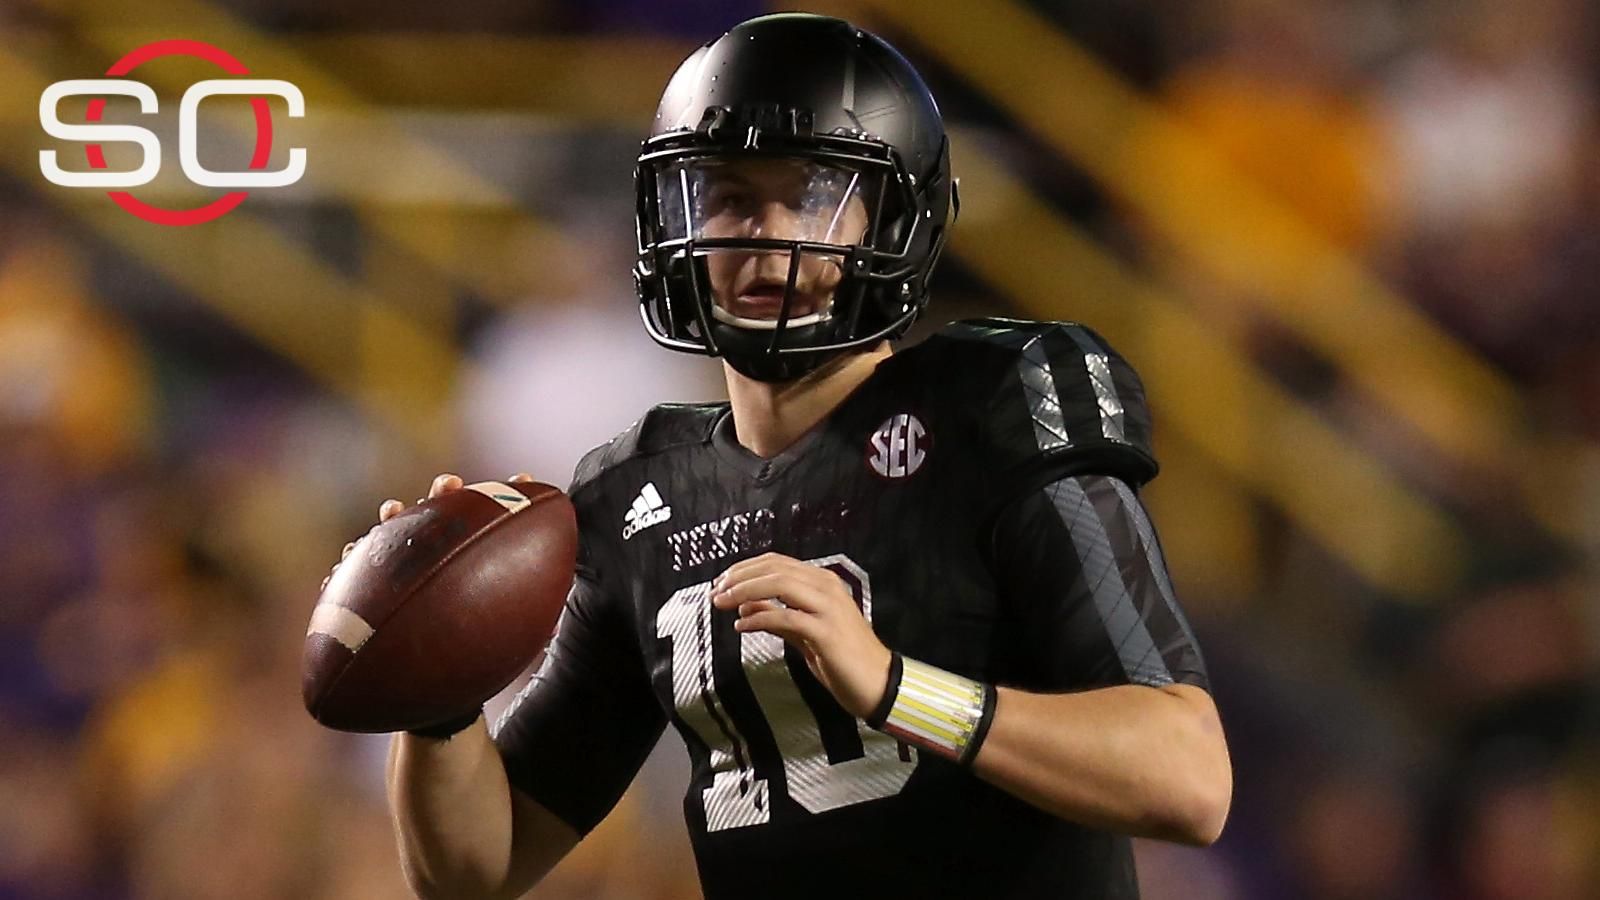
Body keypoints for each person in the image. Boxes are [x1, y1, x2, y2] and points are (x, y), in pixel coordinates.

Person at [373, 13, 1231, 899]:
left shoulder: (993, 410)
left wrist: (899, 690)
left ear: (891, 218)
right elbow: (476, 868)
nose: (766, 233)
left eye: (814, 194)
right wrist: (436, 684)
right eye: (730, 196)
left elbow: (1189, 776)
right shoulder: (643, 493)